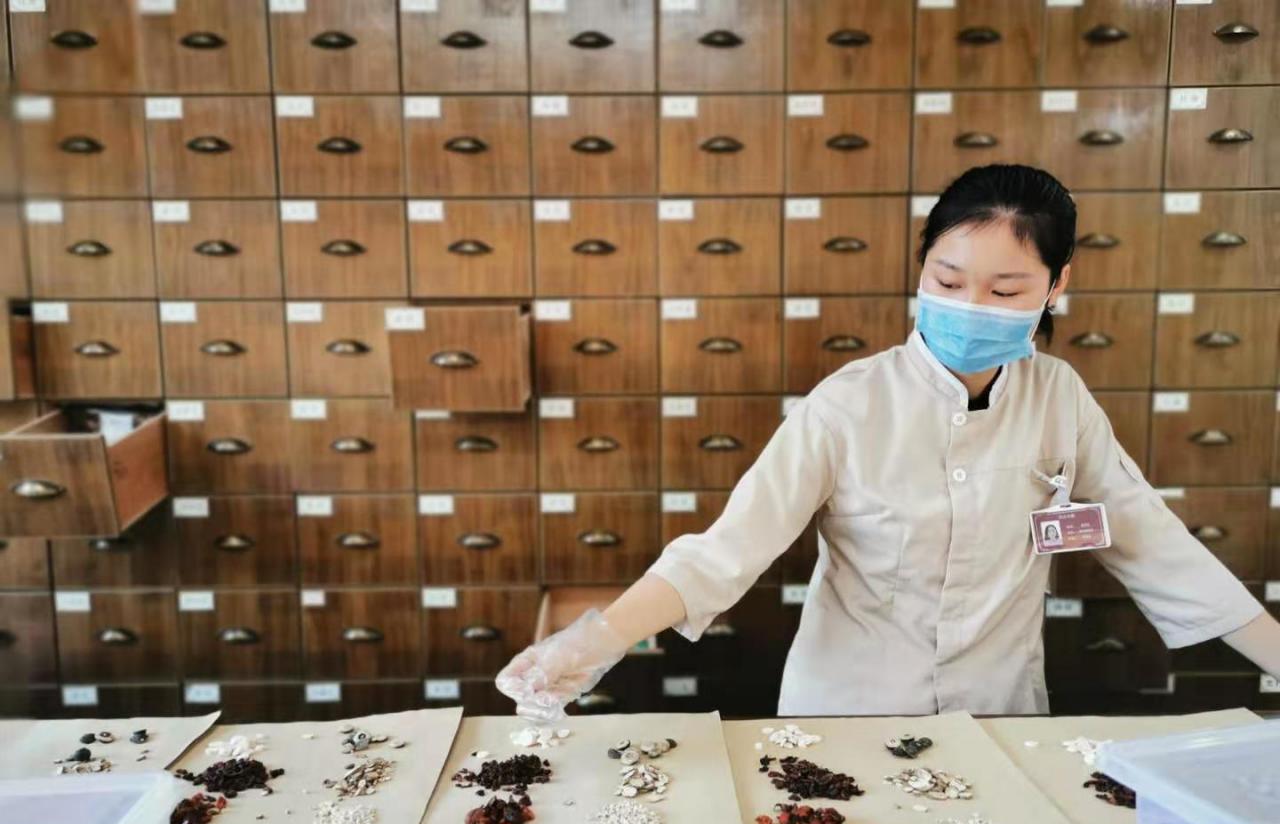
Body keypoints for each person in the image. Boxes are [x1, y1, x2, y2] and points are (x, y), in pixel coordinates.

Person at [497, 164, 1280, 721]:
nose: (971, 305)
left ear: (1056, 285)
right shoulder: (849, 405)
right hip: (848, 716)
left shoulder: (1059, 399)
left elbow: (1149, 539)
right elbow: (726, 549)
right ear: (920, 269)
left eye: (1006, 291)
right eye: (947, 280)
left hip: (997, 715)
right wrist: (598, 639)